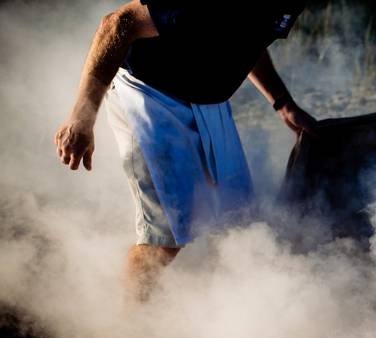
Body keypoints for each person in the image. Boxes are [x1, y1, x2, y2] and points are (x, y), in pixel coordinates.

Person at [54, 1, 319, 299]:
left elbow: (250, 38)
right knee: (163, 238)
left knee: (239, 218)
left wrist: (283, 103)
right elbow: (117, 24)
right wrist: (82, 116)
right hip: (150, 95)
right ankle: (128, 326)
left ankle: (213, 314)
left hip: (210, 101)